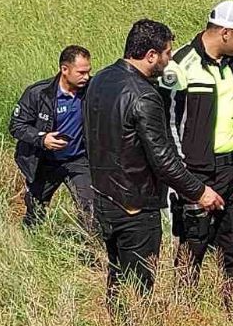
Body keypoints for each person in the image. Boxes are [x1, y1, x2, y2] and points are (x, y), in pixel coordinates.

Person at [85, 19, 223, 310]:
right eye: (167, 54)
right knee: (138, 285)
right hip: (135, 204)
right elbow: (163, 161)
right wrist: (200, 192)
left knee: (116, 276)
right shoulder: (145, 96)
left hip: (104, 196)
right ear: (151, 55)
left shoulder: (100, 79)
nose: (170, 59)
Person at [163, 0, 233, 300]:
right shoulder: (181, 65)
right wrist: (183, 174)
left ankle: (231, 302)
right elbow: (166, 122)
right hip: (200, 169)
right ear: (224, 33)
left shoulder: (231, 64)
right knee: (194, 241)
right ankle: (185, 303)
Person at [9, 45, 95, 231]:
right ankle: (30, 247)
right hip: (44, 161)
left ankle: (90, 252)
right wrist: (42, 139)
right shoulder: (38, 93)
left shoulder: (93, 91)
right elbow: (17, 126)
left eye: (88, 72)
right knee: (35, 211)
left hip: (78, 160)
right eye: (81, 72)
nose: (86, 77)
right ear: (64, 69)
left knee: (90, 208)